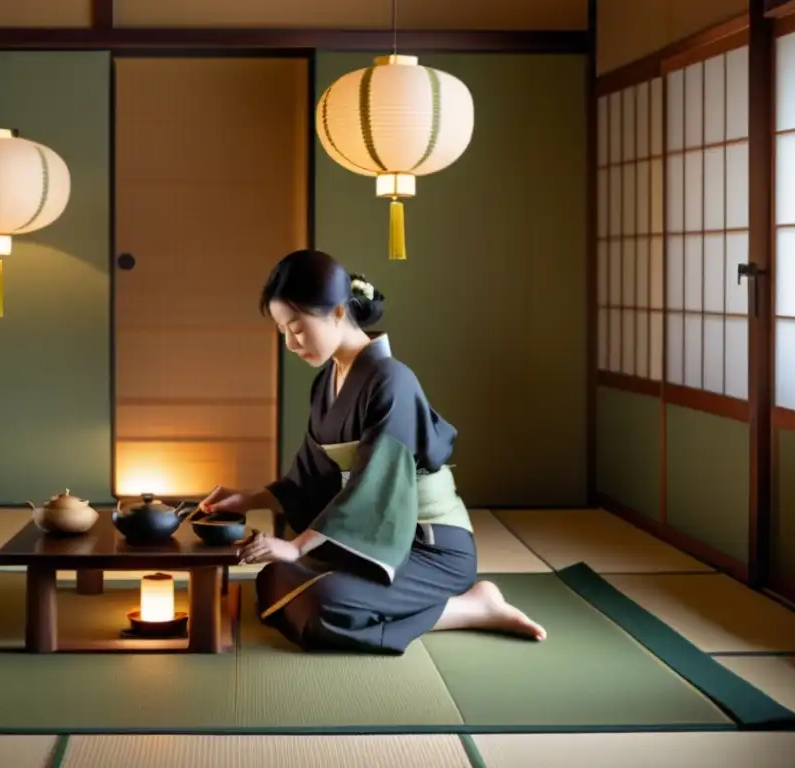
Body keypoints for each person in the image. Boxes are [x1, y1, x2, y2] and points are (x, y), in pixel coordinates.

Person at [199, 249, 546, 654]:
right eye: (282, 331)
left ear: (339, 313)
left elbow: (375, 486)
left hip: (428, 546)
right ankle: (360, 590)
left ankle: (471, 607)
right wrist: (252, 497)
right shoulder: (328, 380)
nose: (292, 344)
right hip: (374, 539)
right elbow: (311, 475)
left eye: (297, 327)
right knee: (273, 580)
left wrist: (295, 546)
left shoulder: (392, 380)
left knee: (324, 608)